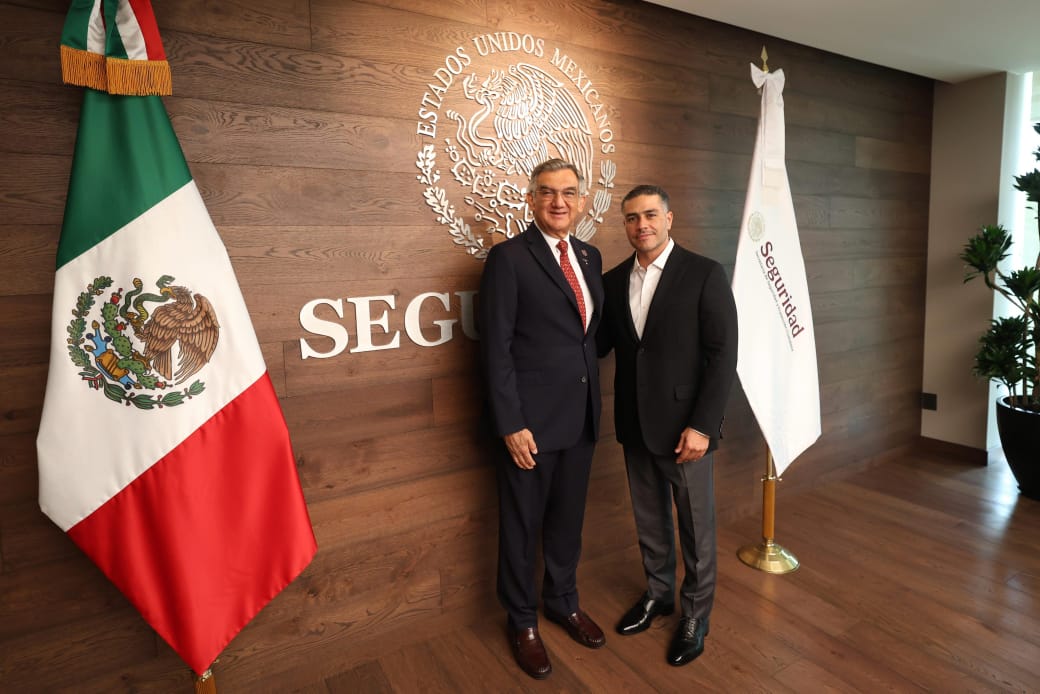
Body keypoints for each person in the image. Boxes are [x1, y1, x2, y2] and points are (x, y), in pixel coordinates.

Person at [597, 184, 738, 666]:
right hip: (634, 423)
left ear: (669, 219)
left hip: (686, 430)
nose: (643, 225)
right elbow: (601, 345)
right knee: (650, 520)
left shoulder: (704, 273)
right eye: (632, 217)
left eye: (651, 215)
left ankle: (696, 614)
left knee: (696, 527)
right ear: (625, 224)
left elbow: (723, 356)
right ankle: (658, 594)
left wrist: (703, 426)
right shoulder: (613, 280)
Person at [478, 158, 606, 680]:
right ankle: (523, 620)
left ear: (582, 201)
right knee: (521, 526)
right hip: (529, 426)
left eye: (569, 192)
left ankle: (562, 601)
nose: (559, 202)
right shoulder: (508, 259)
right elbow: (496, 349)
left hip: (581, 419)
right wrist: (510, 423)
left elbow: (587, 337)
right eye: (548, 192)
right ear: (531, 199)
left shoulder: (590, 257)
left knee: (567, 523)